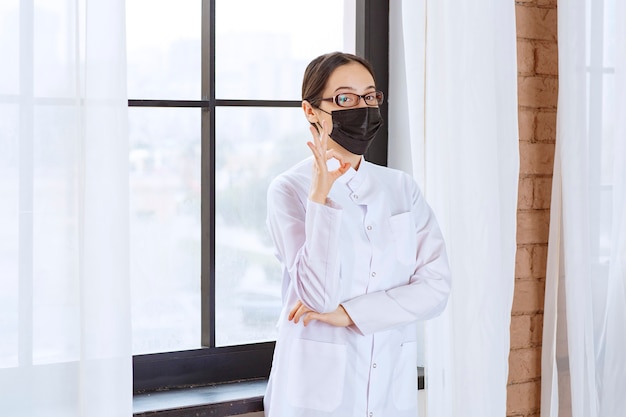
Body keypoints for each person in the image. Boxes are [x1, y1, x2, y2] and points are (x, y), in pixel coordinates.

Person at [263, 52, 451, 417]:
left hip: (390, 388)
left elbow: (437, 288)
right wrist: (319, 197)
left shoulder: (400, 188)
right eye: (346, 99)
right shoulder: (289, 190)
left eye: (370, 96)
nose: (362, 108)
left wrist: (349, 314)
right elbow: (317, 296)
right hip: (316, 389)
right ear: (311, 111)